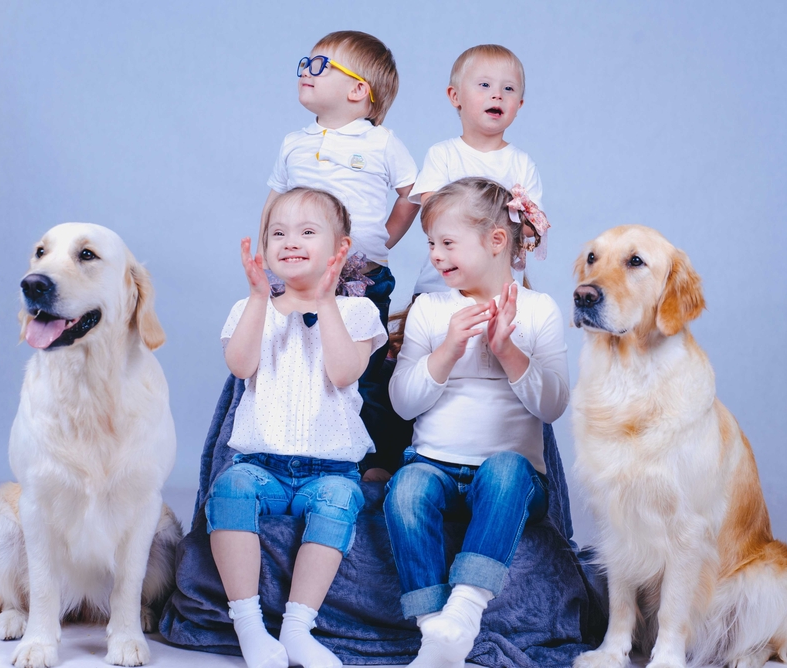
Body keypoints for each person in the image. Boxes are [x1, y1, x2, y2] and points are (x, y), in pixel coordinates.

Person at [384, 177, 567, 667]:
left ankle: (464, 610)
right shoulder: (430, 309)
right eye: (430, 245)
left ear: (496, 241)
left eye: (447, 243)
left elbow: (552, 406)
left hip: (512, 476)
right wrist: (445, 352)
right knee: (406, 489)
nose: (436, 256)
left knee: (505, 470)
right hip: (434, 463)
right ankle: (434, 632)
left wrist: (508, 352)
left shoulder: (538, 310)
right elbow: (404, 403)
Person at [208, 188, 387, 668]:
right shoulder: (252, 309)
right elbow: (240, 365)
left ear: (339, 249)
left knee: (340, 500)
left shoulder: (357, 312)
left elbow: (345, 371)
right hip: (259, 464)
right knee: (229, 489)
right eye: (278, 233)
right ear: (264, 248)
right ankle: (248, 625)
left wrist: (325, 302)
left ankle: (297, 628)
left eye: (308, 232)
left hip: (329, 467)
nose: (291, 241)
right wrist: (257, 297)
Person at [260, 30, 419, 479]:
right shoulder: (294, 142)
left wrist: (383, 238)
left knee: (364, 371)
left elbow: (413, 194)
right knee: (302, 363)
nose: (305, 73)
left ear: (357, 90)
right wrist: (267, 258)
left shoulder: (380, 142)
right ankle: (300, 452)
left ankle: (374, 461)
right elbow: (274, 204)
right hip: (299, 278)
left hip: (361, 273)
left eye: (319, 66)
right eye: (304, 63)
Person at [408, 45, 545, 294]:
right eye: (484, 85)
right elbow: (431, 214)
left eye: (509, 88)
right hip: (442, 286)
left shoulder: (522, 163)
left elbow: (533, 226)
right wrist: (499, 215)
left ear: (520, 104)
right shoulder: (443, 155)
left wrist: (513, 222)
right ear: (455, 96)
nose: (498, 95)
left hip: (499, 287)